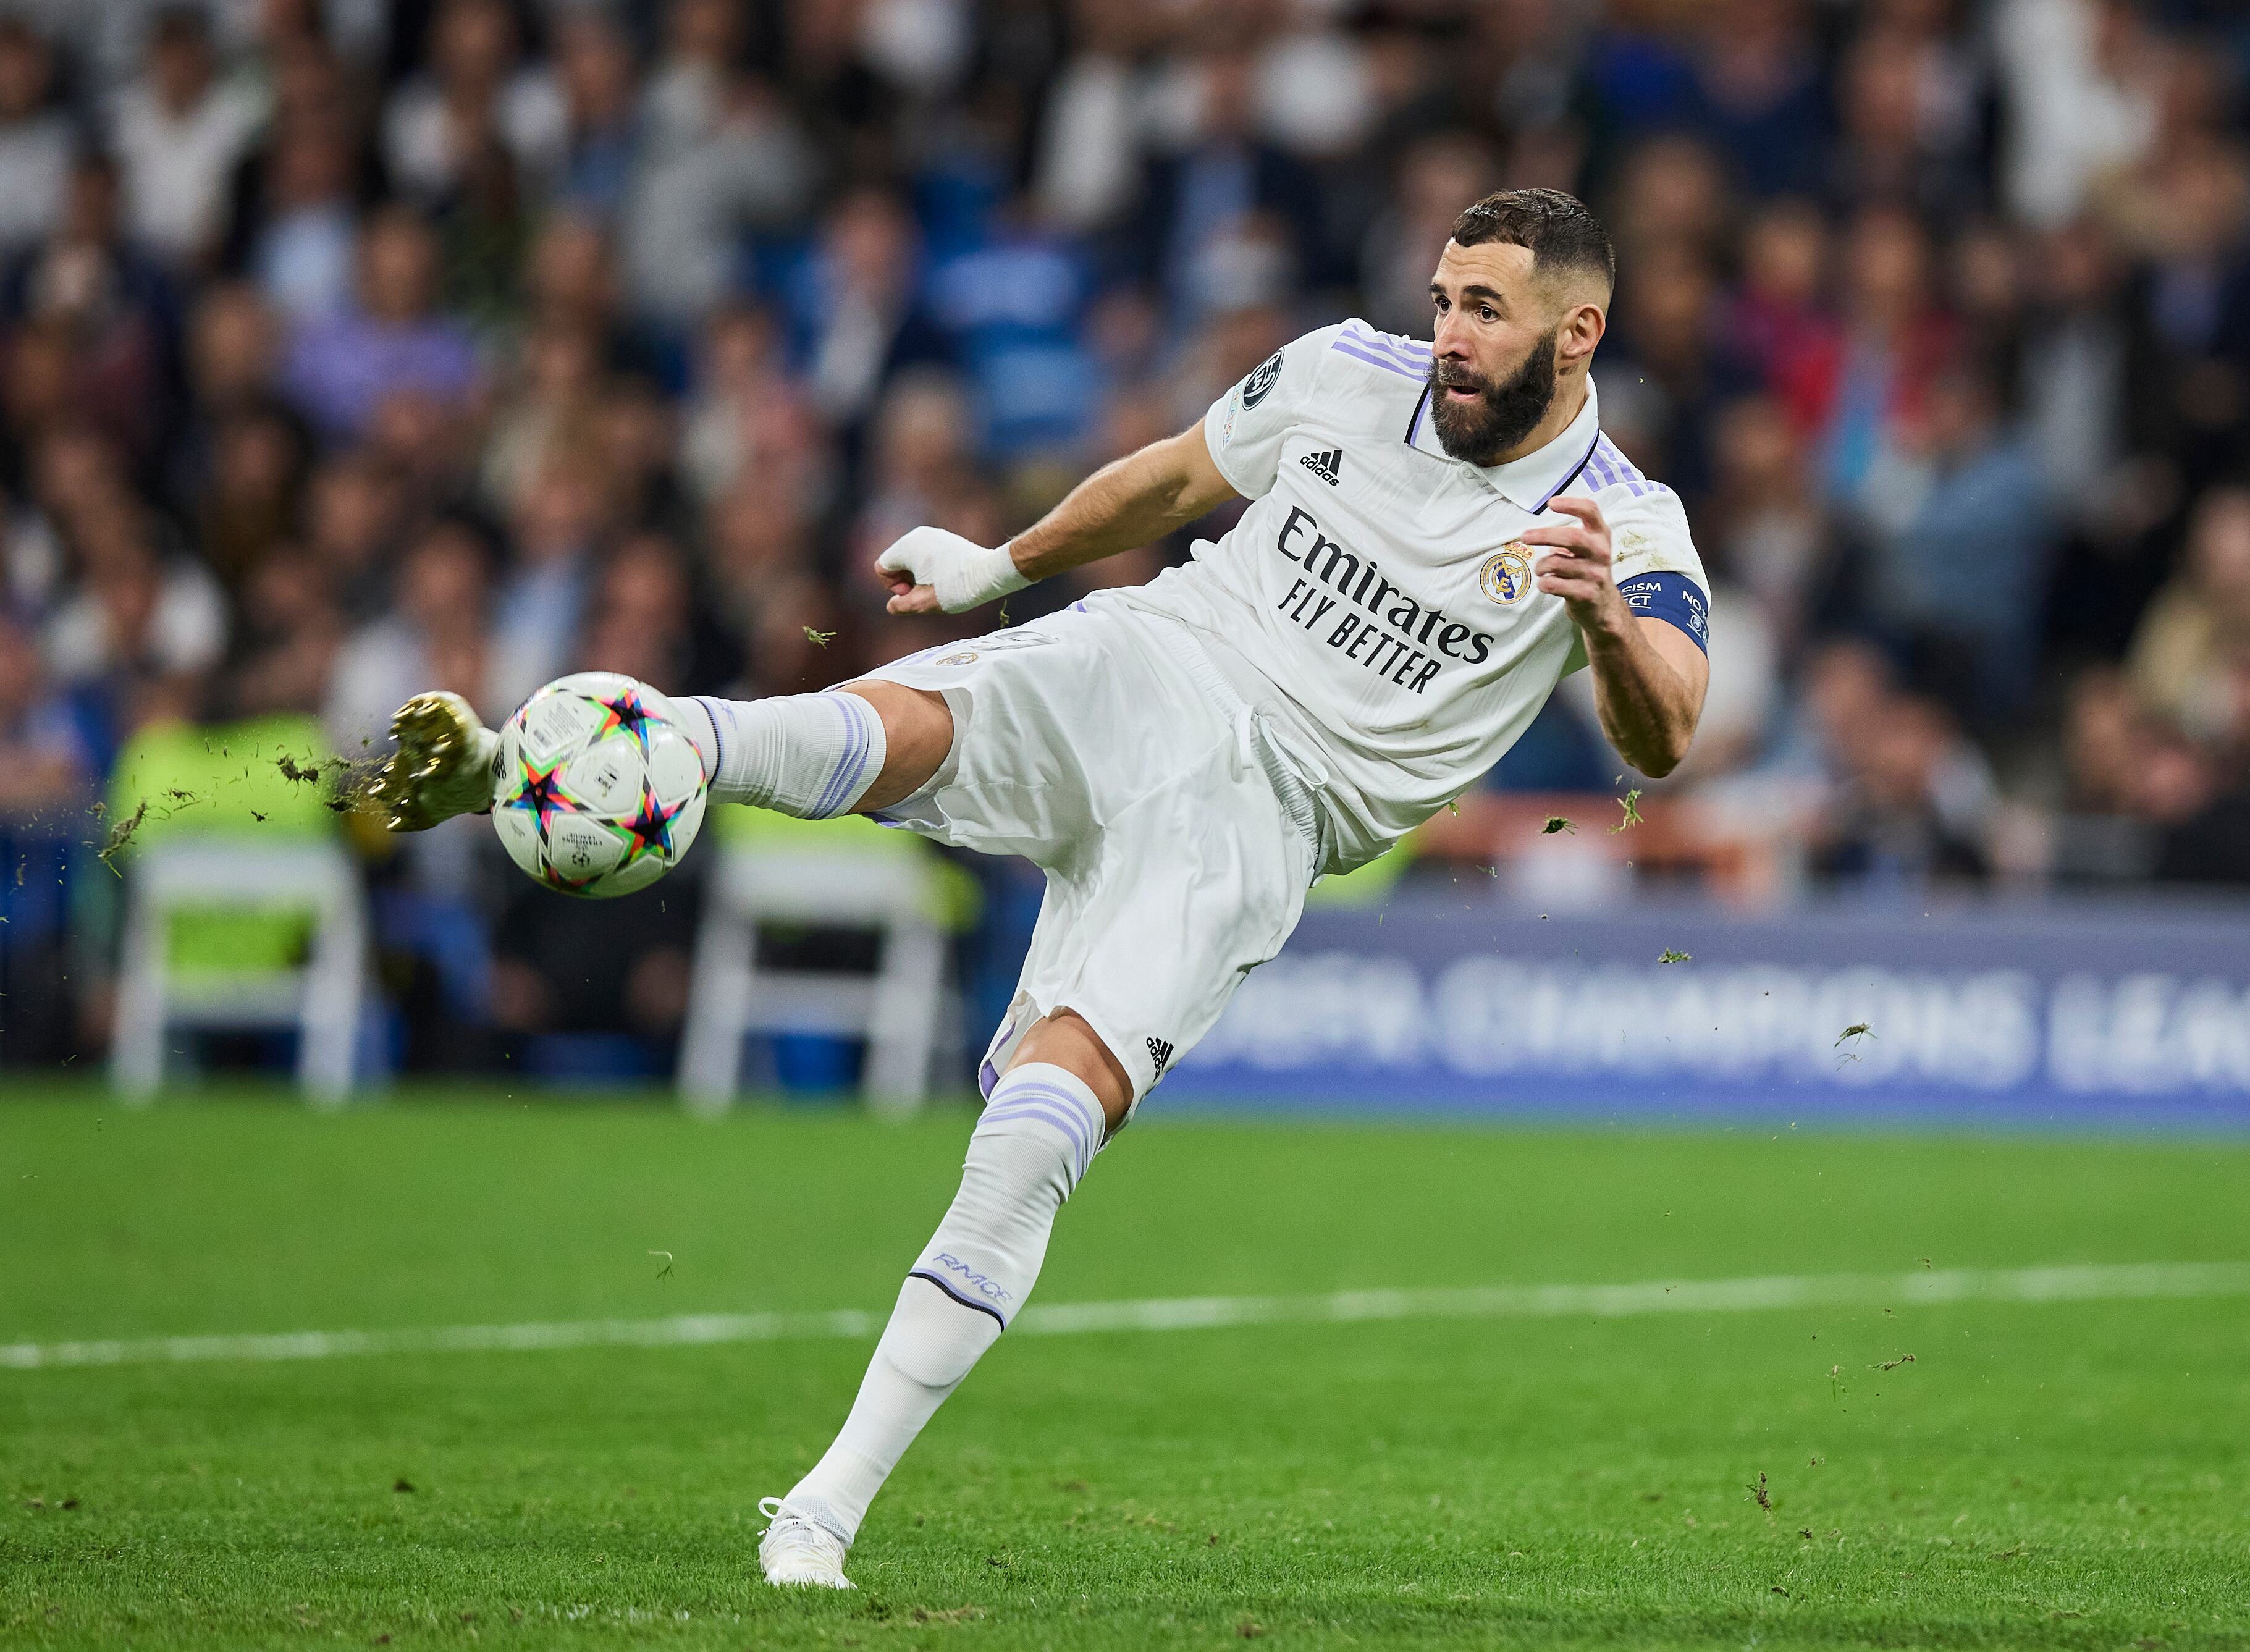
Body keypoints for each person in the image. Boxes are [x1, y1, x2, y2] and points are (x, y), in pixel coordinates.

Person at [366, 188, 1712, 1587]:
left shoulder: (1622, 519)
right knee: (878, 725)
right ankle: (526, 760)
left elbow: (1667, 728)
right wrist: (996, 565)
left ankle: (817, 1509)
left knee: (1035, 1133)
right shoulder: (1342, 373)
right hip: (1161, 656)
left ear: (1578, 331)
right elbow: (1177, 478)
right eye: (1441, 296)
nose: (1445, 331)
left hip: (1264, 815)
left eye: (1483, 309)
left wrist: (1604, 619)